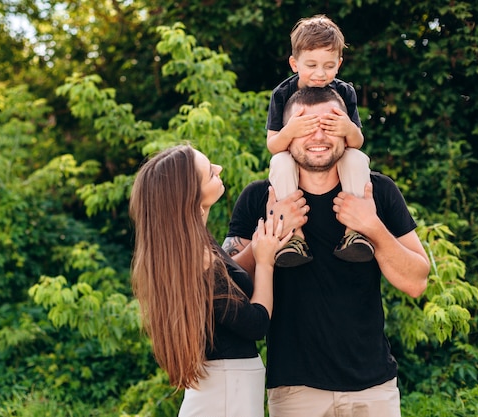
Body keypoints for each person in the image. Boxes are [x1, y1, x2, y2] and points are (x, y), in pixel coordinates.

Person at [223, 87, 430, 417]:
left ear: (347, 133)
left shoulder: (378, 192)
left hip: (373, 388)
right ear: (285, 137)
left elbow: (417, 282)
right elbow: (227, 291)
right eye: (304, 126)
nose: (317, 136)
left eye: (330, 125)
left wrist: (372, 227)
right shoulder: (258, 198)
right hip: (295, 390)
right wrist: (274, 232)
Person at [129, 144, 296, 416]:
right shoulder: (198, 258)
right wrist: (265, 262)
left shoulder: (190, 250)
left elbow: (229, 280)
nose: (218, 169)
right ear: (189, 198)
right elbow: (255, 324)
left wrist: (261, 241)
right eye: (209, 173)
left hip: (225, 389)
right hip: (227, 392)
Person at [266, 14, 373, 267]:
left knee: (356, 158)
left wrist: (348, 127)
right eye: (311, 65)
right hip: (297, 157)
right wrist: (291, 131)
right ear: (294, 63)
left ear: (339, 64)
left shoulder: (344, 92)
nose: (320, 73)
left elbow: (356, 141)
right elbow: (273, 145)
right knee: (280, 162)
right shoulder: (282, 93)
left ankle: (354, 231)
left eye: (328, 65)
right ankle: (295, 237)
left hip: (333, 158)